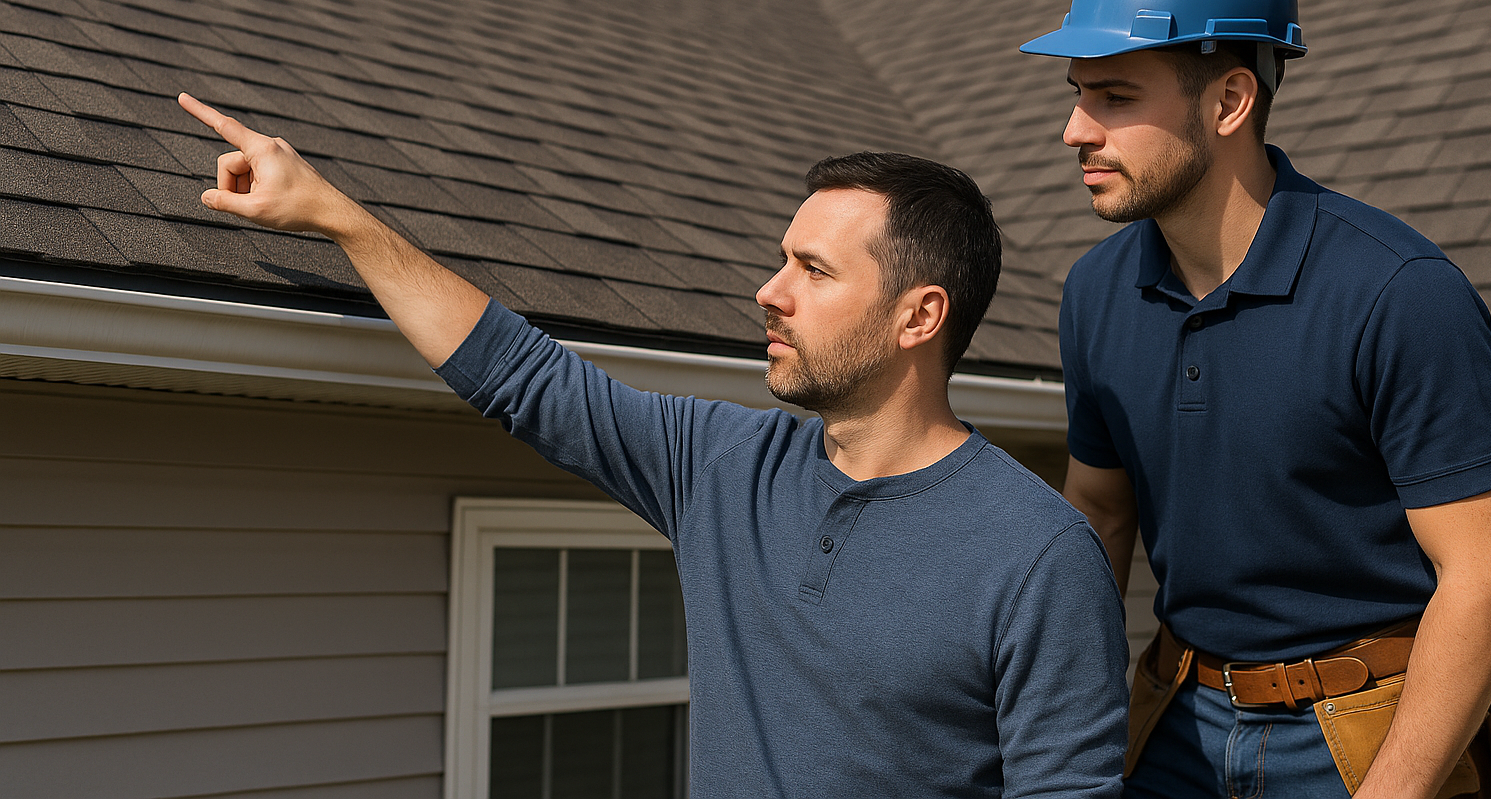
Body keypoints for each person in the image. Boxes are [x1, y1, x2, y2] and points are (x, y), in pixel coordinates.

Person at [177, 92, 1128, 798]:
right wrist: (338, 216)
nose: (769, 290)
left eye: (811, 269)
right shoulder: (722, 469)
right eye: (780, 258)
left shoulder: (1036, 554)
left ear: (919, 315)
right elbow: (524, 376)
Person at [1019, 0, 1491, 799]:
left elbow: (1487, 580)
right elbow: (1098, 517)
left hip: (1368, 739)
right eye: (1079, 95)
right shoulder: (1095, 294)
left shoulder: (1397, 292)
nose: (1075, 131)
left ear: (1229, 101)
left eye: (1115, 97)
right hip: (1173, 719)